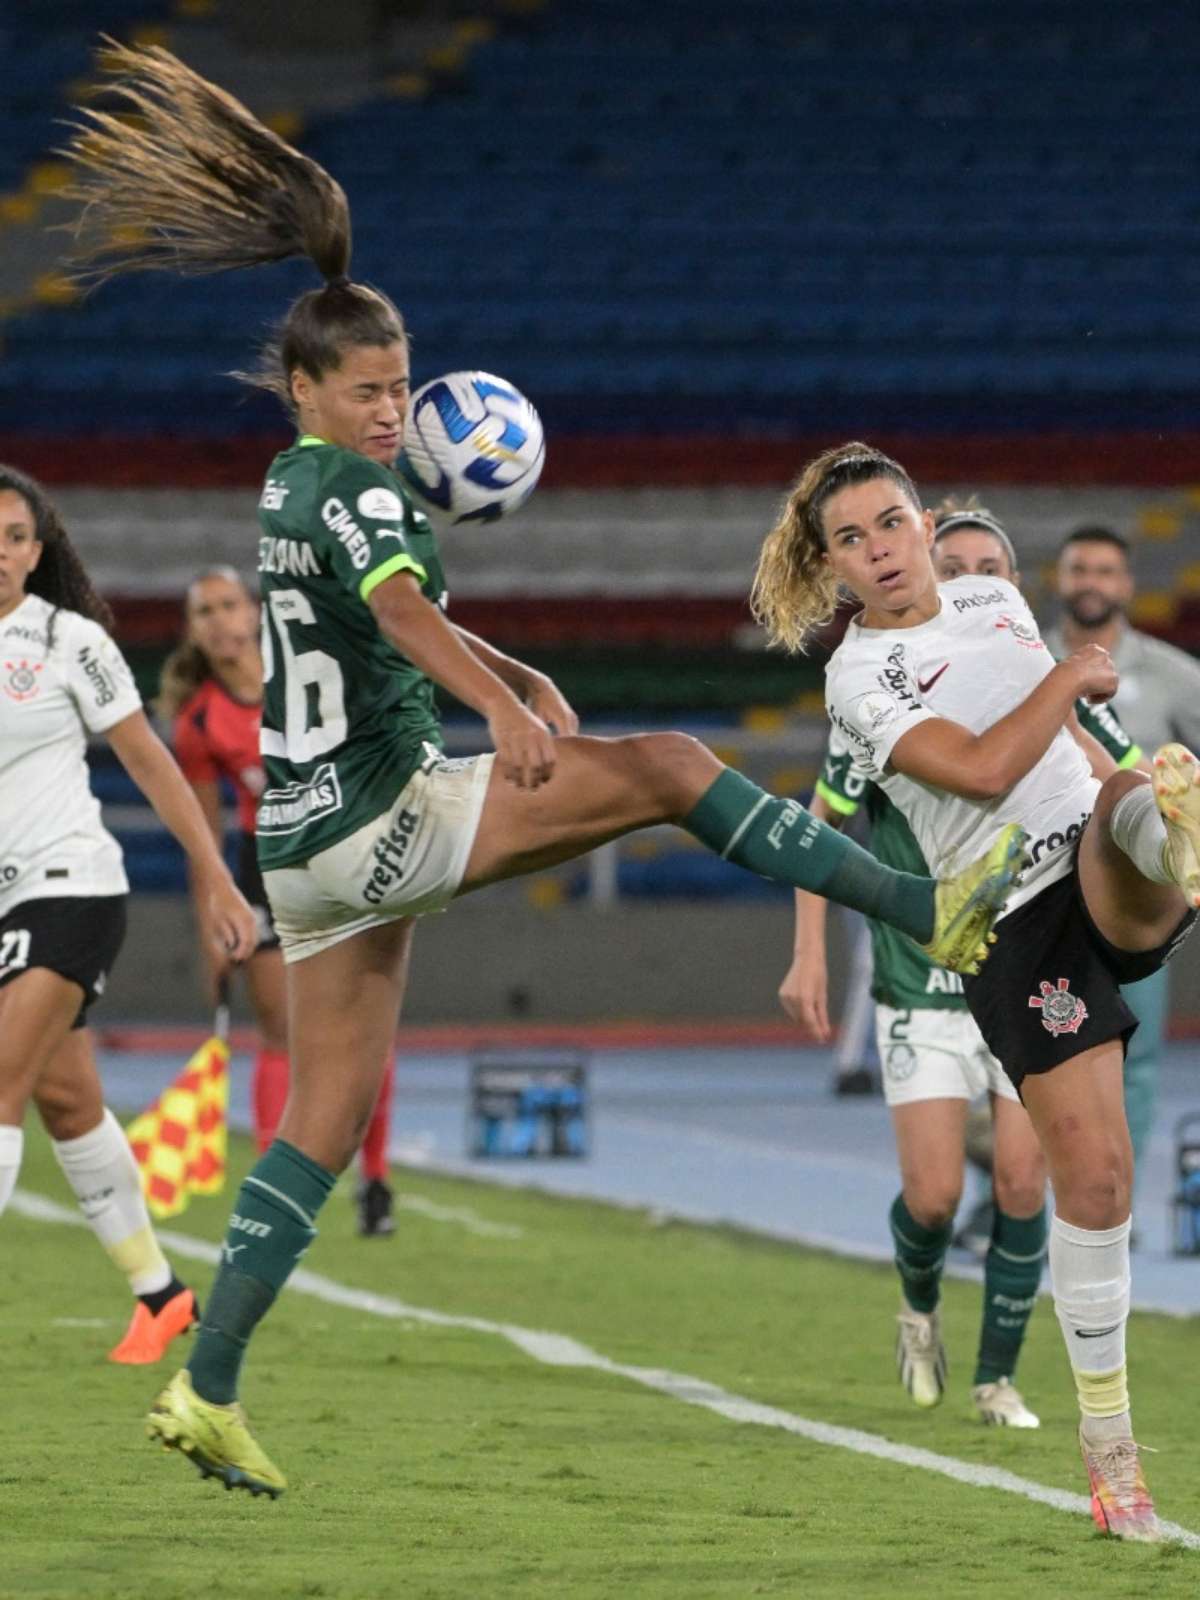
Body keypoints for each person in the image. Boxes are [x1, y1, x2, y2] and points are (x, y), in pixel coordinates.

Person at [57, 42, 1026, 1498]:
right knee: (669, 763)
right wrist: (498, 717)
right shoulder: (360, 482)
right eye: (367, 388)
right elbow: (392, 610)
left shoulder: (285, 483)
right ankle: (927, 908)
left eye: (401, 385)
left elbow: (382, 611)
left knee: (324, 1118)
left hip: (304, 848)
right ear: (304, 386)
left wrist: (505, 671)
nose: (393, 409)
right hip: (381, 818)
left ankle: (208, 1384)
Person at [753, 440, 1200, 1542]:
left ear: (922, 517)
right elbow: (990, 769)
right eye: (851, 539)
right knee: (1094, 1182)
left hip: (1097, 854)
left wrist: (1130, 776)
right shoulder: (857, 677)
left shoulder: (995, 596)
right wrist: (1074, 673)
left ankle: (1170, 824)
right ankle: (1112, 1462)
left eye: (891, 522)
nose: (881, 550)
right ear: (831, 564)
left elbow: (1077, 749)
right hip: (1011, 928)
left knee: (1130, 801)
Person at [0, 463, 257, 1365]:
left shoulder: (70, 642)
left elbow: (151, 762)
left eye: (15, 538)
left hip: (71, 883)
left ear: (38, 552)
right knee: (65, 1100)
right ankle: (162, 1295)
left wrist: (218, 879)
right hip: (4, 901)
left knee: (0, 1077)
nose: (0, 555)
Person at [159, 565, 398, 1236]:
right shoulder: (199, 720)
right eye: (204, 611)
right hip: (266, 869)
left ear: (255, 611)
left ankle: (374, 1181)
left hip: (346, 854)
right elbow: (202, 833)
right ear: (194, 632)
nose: (219, 621)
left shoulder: (308, 671)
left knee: (366, 1033)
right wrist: (211, 918)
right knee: (280, 1032)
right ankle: (271, 1194)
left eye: (229, 605)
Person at [1045, 526, 1200, 1204]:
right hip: (1039, 890)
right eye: (1080, 569)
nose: (1092, 583)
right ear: (1061, 579)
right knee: (1029, 1054)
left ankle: (1117, 1206)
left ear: (1128, 585)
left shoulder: (1174, 676)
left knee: (1133, 1060)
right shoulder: (1026, 663)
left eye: (1106, 571)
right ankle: (1024, 1200)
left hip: (1136, 903)